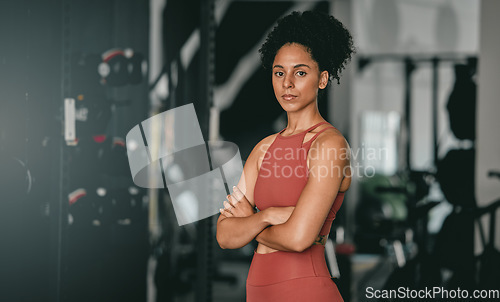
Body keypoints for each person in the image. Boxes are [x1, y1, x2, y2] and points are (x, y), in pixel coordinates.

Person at [216, 10, 355, 302]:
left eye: (300, 72)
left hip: (306, 291)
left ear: (322, 79)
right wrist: (267, 216)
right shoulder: (263, 148)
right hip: (258, 292)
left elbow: (298, 238)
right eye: (279, 72)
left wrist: (250, 224)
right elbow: (225, 236)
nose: (287, 83)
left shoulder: (329, 144)